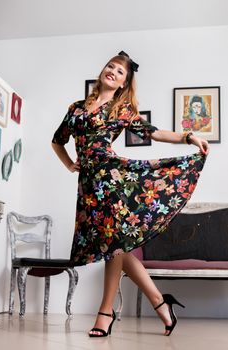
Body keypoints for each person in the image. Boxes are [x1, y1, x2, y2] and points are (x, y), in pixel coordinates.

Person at [52, 51, 209, 337]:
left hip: (112, 180)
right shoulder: (75, 108)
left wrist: (189, 137)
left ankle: (104, 313)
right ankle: (161, 303)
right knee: (118, 246)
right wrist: (70, 164)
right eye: (110, 66)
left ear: (124, 83)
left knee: (115, 245)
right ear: (103, 70)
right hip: (88, 186)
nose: (113, 71)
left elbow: (155, 132)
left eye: (120, 71)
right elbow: (57, 141)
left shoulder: (119, 110)